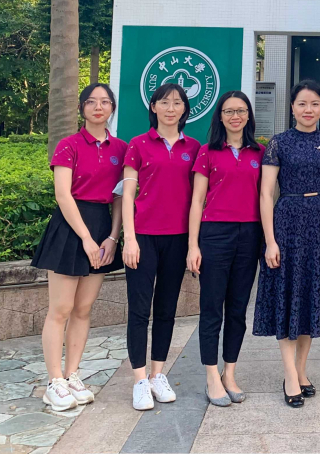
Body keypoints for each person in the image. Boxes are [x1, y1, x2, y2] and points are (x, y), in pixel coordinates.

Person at [253, 80, 320, 408]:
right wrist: (270, 241)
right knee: (287, 294)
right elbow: (266, 193)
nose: (309, 110)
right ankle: (290, 375)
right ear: (292, 107)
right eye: (302, 104)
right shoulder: (278, 143)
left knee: (311, 297)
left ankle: (302, 370)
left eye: (315, 104)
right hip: (288, 224)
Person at [32, 84, 126, 411]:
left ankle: (72, 374)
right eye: (91, 102)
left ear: (112, 108)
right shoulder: (68, 145)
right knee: (60, 309)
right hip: (70, 228)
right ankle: (54, 381)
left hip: (102, 227)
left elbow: (119, 197)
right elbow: (63, 194)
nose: (98, 107)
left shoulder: (121, 149)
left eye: (105, 102)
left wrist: (112, 237)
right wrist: (86, 238)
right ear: (82, 108)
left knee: (83, 309)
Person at [121, 83, 201, 410]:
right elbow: (127, 194)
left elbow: (198, 198)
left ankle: (157, 374)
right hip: (143, 237)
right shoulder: (138, 144)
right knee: (139, 310)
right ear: (153, 107)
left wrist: (194, 243)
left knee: (166, 309)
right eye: (164, 102)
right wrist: (129, 238)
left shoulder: (194, 147)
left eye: (177, 102)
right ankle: (140, 380)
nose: (171, 108)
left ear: (185, 109)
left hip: (178, 238)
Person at [187, 91, 265, 407]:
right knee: (211, 308)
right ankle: (211, 375)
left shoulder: (260, 152)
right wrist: (193, 245)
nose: (235, 116)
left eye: (241, 111)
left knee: (237, 309)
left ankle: (229, 372)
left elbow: (267, 196)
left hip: (250, 234)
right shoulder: (207, 152)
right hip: (215, 234)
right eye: (229, 111)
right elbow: (196, 200)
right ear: (220, 116)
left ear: (248, 116)